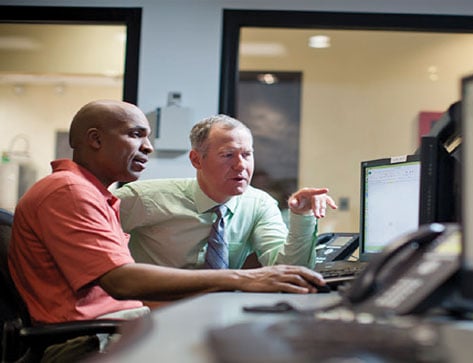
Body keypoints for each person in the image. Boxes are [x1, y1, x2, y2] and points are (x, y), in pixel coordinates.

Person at [8, 100, 325, 361]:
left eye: (247, 154)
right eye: (135, 135)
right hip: (84, 341)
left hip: (115, 326)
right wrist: (244, 279)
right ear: (95, 140)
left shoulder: (91, 194)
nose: (148, 147)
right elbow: (121, 281)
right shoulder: (71, 192)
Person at [114, 114, 337, 270]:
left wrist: (301, 217)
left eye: (247, 154)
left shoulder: (258, 204)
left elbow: (287, 270)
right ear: (196, 160)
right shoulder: (142, 199)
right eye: (228, 155)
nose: (241, 166)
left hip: (220, 314)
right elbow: (87, 249)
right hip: (153, 315)